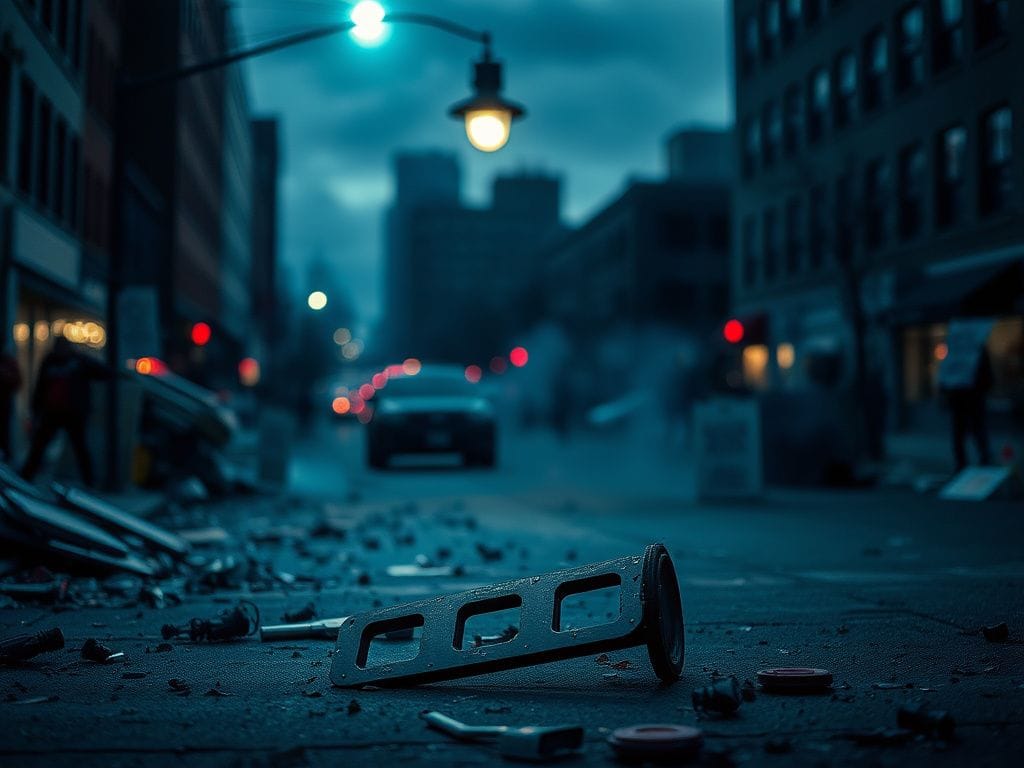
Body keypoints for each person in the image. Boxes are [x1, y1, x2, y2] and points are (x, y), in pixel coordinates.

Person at [20, 337, 109, 486]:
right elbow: (40, 387)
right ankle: (25, 477)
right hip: (52, 412)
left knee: (80, 448)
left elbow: (101, 372)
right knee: (39, 446)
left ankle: (89, 481)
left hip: (72, 412)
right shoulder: (50, 362)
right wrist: (35, 410)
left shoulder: (79, 361)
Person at [946, 346, 994, 471]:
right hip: (963, 398)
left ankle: (982, 460)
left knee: (974, 431)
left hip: (972, 397)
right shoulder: (957, 349)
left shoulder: (974, 349)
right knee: (963, 432)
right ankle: (966, 463)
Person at [0, 349, 23, 461]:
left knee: (4, 435)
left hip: (4, 405)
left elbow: (17, 381)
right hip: (5, 404)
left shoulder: (7, 362)